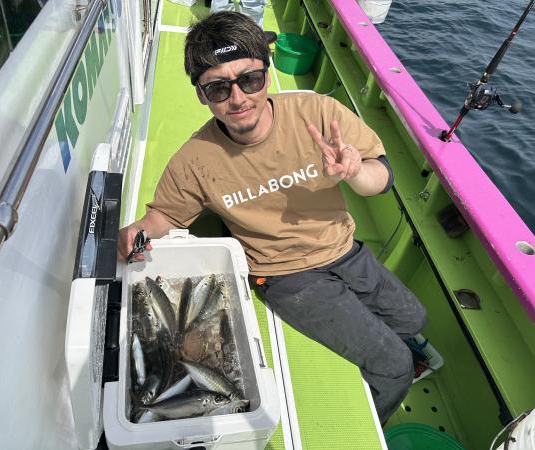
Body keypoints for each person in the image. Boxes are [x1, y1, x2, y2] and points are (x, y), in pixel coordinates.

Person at [118, 11, 427, 424]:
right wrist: (135, 232)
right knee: (394, 366)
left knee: (414, 319)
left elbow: (381, 178)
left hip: (344, 248)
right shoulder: (194, 159)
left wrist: (355, 172)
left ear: (267, 72)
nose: (238, 99)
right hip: (285, 275)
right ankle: (367, 421)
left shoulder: (317, 112)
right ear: (201, 95)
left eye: (249, 79)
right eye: (218, 88)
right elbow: (164, 216)